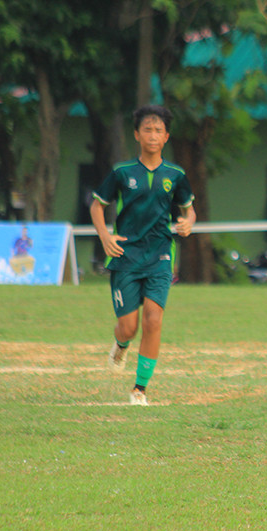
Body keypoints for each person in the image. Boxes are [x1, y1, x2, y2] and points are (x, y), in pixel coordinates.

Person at [90, 105, 196, 406]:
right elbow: (97, 205)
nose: (153, 135)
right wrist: (105, 235)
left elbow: (189, 210)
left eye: (158, 130)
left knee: (153, 320)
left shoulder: (175, 175)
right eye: (147, 129)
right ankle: (121, 343)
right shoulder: (122, 172)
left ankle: (140, 389)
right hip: (125, 255)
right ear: (137, 135)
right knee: (129, 326)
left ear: (166, 137)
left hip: (160, 254)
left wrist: (189, 223)